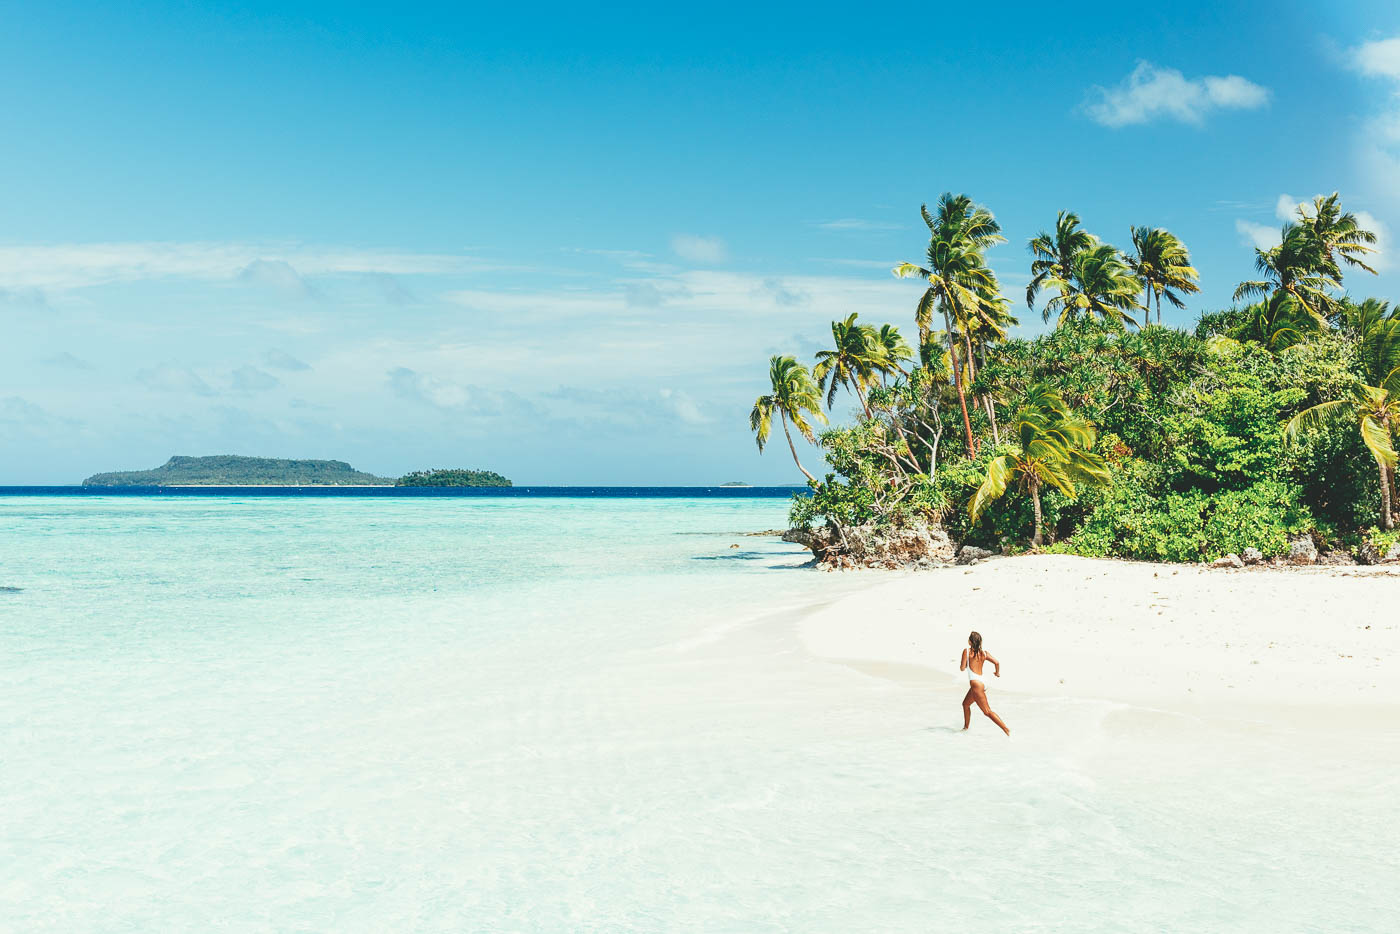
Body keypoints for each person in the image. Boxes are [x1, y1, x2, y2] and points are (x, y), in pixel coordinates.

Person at [959, 631, 1010, 735]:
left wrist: (963, 664)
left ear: (969, 642)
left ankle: (1006, 729)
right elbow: (997, 662)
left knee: (987, 711)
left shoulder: (967, 651)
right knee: (965, 704)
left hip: (976, 684)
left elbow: (962, 668)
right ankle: (965, 729)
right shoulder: (984, 653)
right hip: (983, 681)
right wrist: (997, 672)